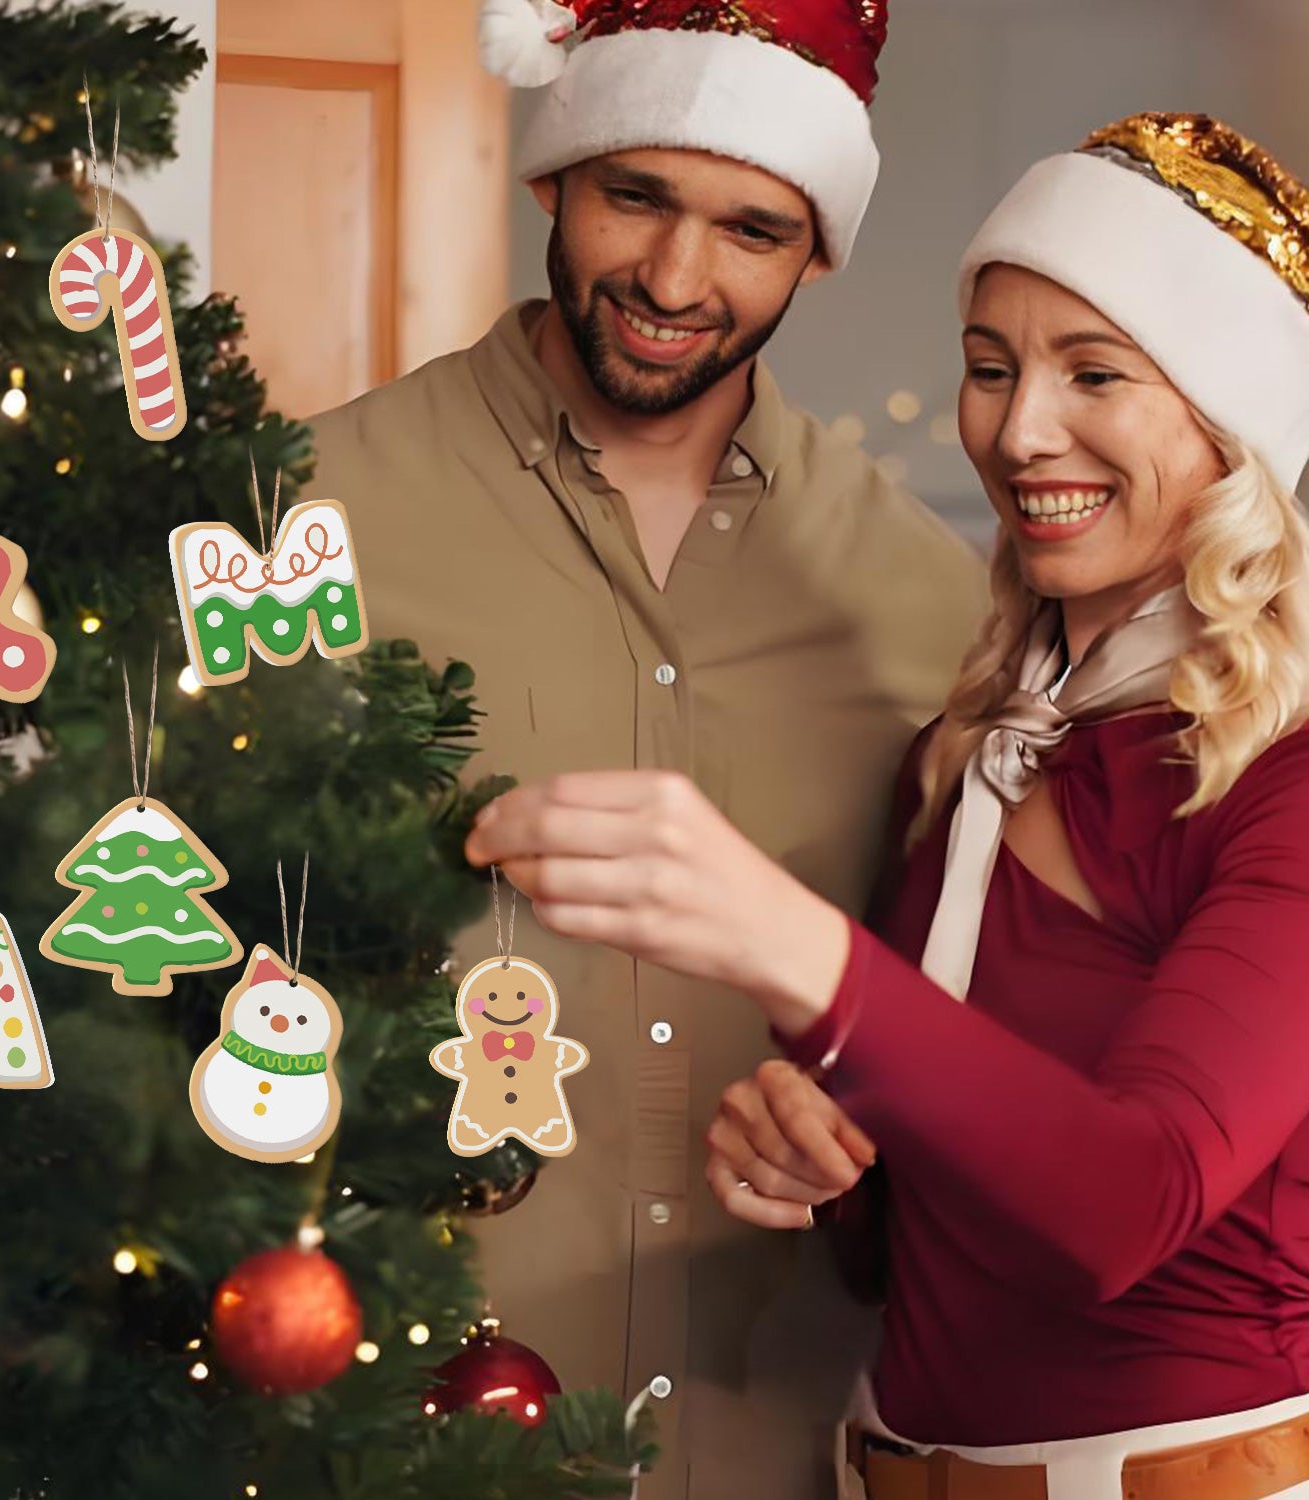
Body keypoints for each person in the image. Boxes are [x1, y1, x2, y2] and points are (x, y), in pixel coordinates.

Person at [465, 110, 1309, 1500]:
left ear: (1230, 425)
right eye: (990, 368)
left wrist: (788, 945)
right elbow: (938, 1230)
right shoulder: (972, 755)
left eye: (1094, 373)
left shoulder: (1280, 778)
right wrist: (827, 1164)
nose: (1018, 428)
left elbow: (1125, 1204)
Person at [302, 1, 986, 1493]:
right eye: (636, 197)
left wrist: (865, 1137)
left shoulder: (933, 607)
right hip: (389, 1425)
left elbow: (979, 1031)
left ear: (816, 249)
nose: (678, 279)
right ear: (552, 177)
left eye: (751, 229)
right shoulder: (307, 520)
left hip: (785, 1435)